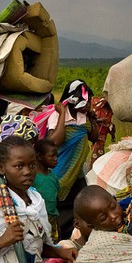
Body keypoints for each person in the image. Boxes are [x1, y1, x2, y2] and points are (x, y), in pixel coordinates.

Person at [46, 79, 98, 239]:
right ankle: (57, 238)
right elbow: (54, 141)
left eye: (89, 101)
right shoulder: (56, 116)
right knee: (58, 207)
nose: (89, 104)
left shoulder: (83, 116)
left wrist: (92, 119)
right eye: (86, 101)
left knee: (80, 204)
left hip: (77, 172)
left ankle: (76, 236)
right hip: (59, 172)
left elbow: (94, 137)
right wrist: (62, 114)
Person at [33, 139, 61, 242]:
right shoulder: (33, 178)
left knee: (53, 241)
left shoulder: (53, 176)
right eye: (52, 156)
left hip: (52, 218)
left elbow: (54, 201)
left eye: (56, 156)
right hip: (39, 219)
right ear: (40, 156)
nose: (56, 159)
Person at [90, 97, 116, 166]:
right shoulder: (98, 110)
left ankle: (96, 169)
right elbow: (91, 120)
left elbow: (110, 125)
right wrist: (100, 120)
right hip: (97, 135)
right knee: (96, 153)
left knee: (100, 153)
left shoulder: (110, 112)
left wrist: (113, 135)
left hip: (103, 136)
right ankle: (92, 169)